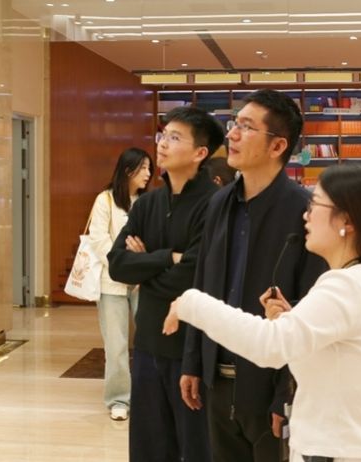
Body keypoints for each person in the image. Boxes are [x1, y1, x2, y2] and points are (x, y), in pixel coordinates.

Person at [165, 164, 361, 462]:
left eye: (315, 204)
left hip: (341, 453)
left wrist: (192, 304)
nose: (306, 215)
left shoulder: (347, 286)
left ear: (346, 220)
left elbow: (268, 346)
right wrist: (290, 320)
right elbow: (326, 358)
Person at [181, 89, 328, 462]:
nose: (231, 134)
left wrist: (287, 391)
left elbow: (309, 311)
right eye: (235, 124)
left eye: (246, 127)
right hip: (216, 380)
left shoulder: (304, 212)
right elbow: (202, 284)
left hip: (268, 385)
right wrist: (193, 361)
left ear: (277, 145)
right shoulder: (218, 203)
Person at [108, 106, 224, 462]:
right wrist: (165, 258)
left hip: (191, 347)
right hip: (147, 341)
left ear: (200, 153)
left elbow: (194, 275)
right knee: (148, 446)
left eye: (175, 138)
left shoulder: (215, 204)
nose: (162, 144)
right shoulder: (148, 203)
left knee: (195, 446)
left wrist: (146, 269)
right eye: (162, 135)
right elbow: (117, 265)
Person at [87, 147, 153, 421]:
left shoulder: (148, 202)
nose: (148, 174)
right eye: (143, 168)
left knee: (149, 341)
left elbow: (152, 240)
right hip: (111, 282)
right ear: (128, 170)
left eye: (149, 168)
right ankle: (119, 400)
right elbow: (98, 240)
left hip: (143, 282)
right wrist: (122, 266)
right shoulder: (105, 200)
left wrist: (140, 266)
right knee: (116, 345)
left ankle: (148, 396)